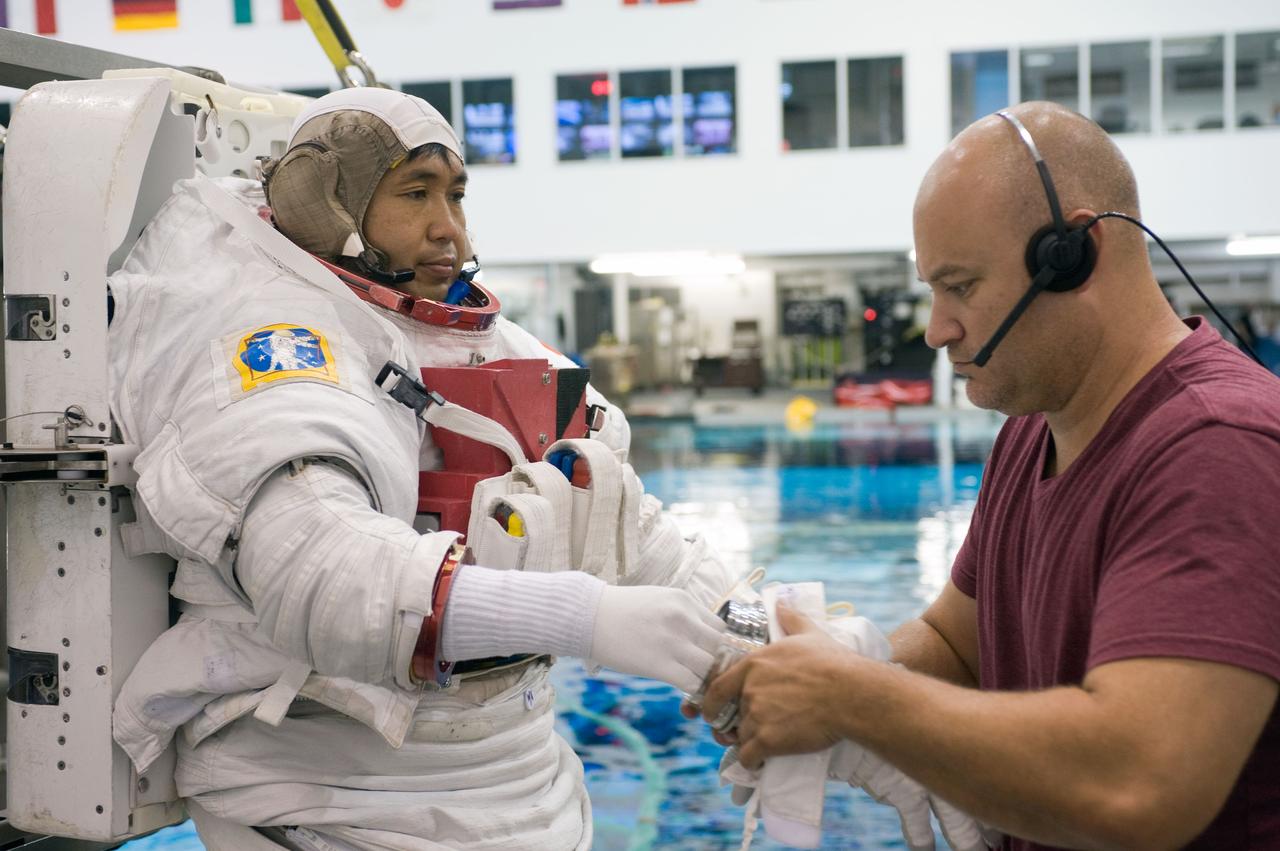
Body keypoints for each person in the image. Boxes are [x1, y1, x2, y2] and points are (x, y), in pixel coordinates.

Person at [108, 87, 740, 850]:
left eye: (457, 194)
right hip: (330, 794)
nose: (449, 226)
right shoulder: (274, 344)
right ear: (323, 205)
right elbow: (322, 569)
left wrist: (773, 644)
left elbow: (627, 527)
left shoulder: (491, 345)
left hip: (517, 782)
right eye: (416, 194)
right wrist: (586, 618)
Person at [698, 101, 1280, 850]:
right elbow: (957, 641)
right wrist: (834, 658)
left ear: (1073, 256)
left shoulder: (1216, 446)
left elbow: (1140, 781)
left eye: (962, 287)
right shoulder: (1031, 431)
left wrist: (851, 697)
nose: (937, 328)